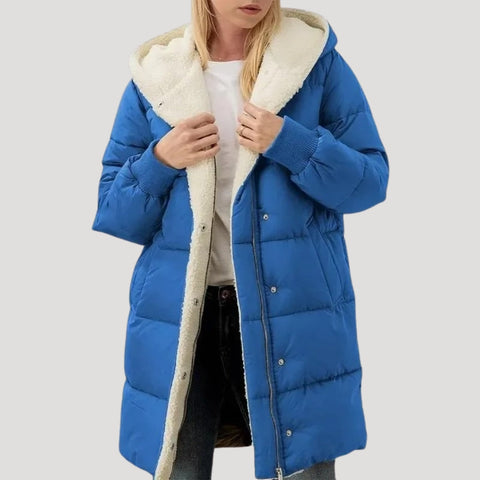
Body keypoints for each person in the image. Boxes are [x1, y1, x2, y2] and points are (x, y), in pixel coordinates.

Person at [91, 1, 389, 480]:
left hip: (293, 310)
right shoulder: (158, 77)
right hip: (184, 316)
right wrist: (159, 160)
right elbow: (114, 213)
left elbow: (370, 183)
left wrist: (292, 143)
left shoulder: (312, 64)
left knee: (302, 470)